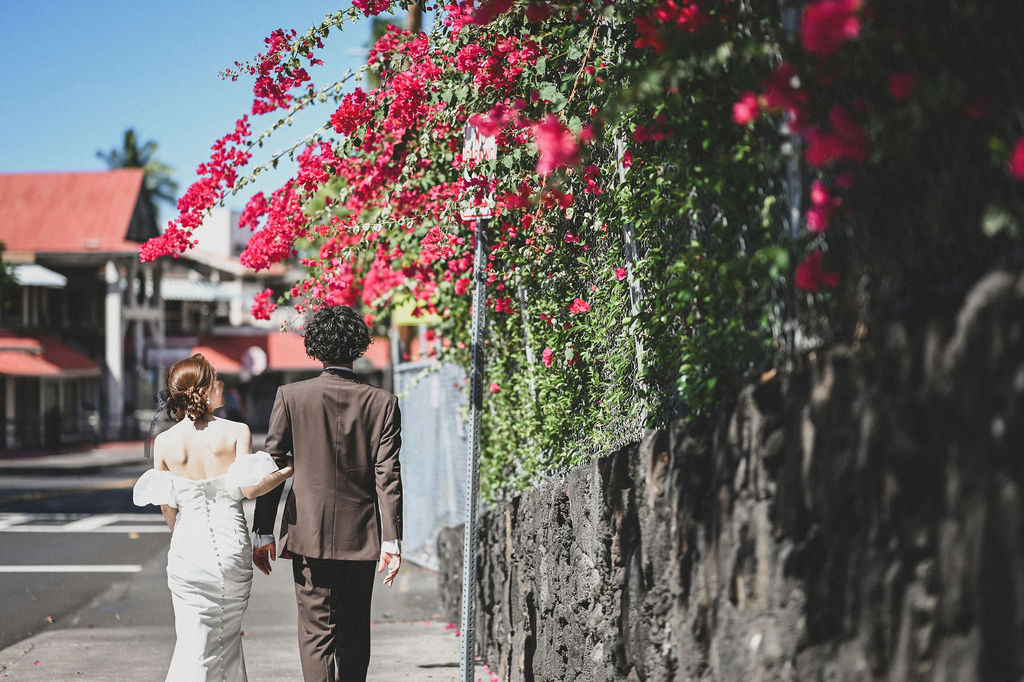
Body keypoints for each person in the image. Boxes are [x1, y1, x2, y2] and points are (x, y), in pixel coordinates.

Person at [251, 305, 403, 682]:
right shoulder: (383, 403)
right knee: (354, 631)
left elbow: (274, 466)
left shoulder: (290, 396)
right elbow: (388, 475)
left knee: (315, 632)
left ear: (315, 347)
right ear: (359, 346)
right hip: (362, 536)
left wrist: (264, 531)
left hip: (307, 533)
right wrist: (392, 539)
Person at [133, 353, 293, 682]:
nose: (223, 384)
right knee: (226, 640)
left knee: (192, 641)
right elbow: (250, 490)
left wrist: (183, 538)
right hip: (231, 548)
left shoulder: (163, 442)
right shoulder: (237, 431)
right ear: (205, 390)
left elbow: (168, 507)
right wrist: (288, 470)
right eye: (217, 379)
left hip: (187, 552)